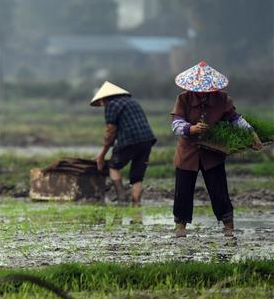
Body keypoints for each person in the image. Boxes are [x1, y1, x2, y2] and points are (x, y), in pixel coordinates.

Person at [170, 61, 262, 238]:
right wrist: (191, 128)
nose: (203, 93)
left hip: (212, 152)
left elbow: (236, 119)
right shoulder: (183, 99)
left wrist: (252, 134)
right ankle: (180, 226)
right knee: (183, 190)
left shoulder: (222, 99)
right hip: (187, 151)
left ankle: (228, 226)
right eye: (200, 90)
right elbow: (176, 124)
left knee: (219, 190)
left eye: (207, 91)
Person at [90, 81, 157, 206]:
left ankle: (122, 199)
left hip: (130, 140)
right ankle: (136, 204)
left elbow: (111, 133)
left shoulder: (112, 105)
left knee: (113, 166)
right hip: (147, 140)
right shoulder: (133, 102)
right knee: (137, 176)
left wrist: (101, 155)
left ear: (105, 98)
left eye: (101, 102)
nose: (101, 105)